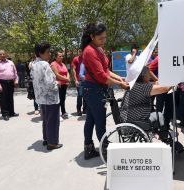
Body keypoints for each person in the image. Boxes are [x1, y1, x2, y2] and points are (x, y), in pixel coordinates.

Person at [81, 23, 129, 160]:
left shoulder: (98, 49)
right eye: (100, 38)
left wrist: (120, 78)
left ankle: (88, 148)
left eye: (105, 38)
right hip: (93, 89)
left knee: (90, 119)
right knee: (100, 120)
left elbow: (106, 71)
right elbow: (101, 76)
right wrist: (120, 84)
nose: (104, 41)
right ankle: (105, 150)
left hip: (93, 88)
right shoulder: (89, 51)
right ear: (92, 37)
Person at [31, 42, 62, 151]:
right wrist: (57, 83)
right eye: (48, 52)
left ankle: (46, 139)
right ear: (40, 53)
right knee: (53, 121)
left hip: (41, 98)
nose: (50, 54)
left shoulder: (34, 64)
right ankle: (52, 143)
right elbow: (50, 83)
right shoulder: (44, 64)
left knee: (46, 120)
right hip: (50, 98)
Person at [0, 50, 19, 121]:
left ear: (6, 54)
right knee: (3, 99)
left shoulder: (10, 62)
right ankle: (5, 114)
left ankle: (11, 112)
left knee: (10, 98)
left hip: (10, 82)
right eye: (1, 54)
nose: (2, 55)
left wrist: (16, 80)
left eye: (4, 54)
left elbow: (15, 72)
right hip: (2, 82)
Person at [51, 52, 70, 119]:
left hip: (64, 84)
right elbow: (57, 75)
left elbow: (67, 72)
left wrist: (67, 78)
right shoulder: (53, 64)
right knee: (58, 99)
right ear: (56, 57)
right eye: (60, 56)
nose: (62, 57)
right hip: (58, 85)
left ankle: (63, 112)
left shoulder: (63, 64)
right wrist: (67, 79)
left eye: (62, 56)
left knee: (63, 99)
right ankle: (57, 114)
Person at [71, 49, 86, 116]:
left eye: (81, 51)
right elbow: (73, 70)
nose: (80, 52)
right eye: (79, 51)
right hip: (79, 80)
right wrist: (75, 80)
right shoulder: (75, 59)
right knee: (80, 95)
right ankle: (79, 109)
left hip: (86, 80)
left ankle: (85, 109)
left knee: (86, 95)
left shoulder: (86, 59)